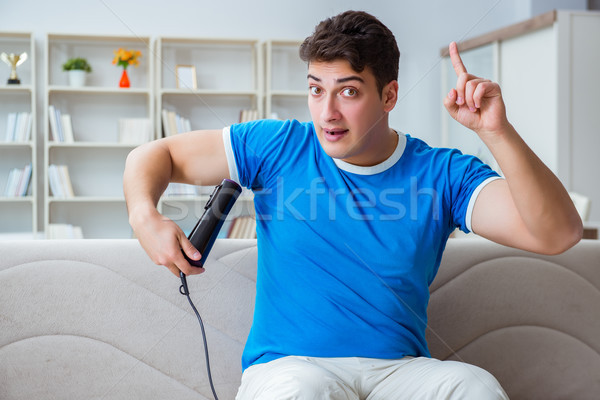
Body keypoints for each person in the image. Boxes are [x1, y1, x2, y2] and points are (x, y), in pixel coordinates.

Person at [123, 10, 582, 400]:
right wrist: (145, 216)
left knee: (471, 386)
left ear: (389, 96)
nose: (327, 113)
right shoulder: (277, 145)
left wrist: (495, 133)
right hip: (292, 368)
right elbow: (152, 156)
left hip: (399, 372)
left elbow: (556, 233)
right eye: (316, 89)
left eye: (347, 91)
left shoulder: (444, 174)